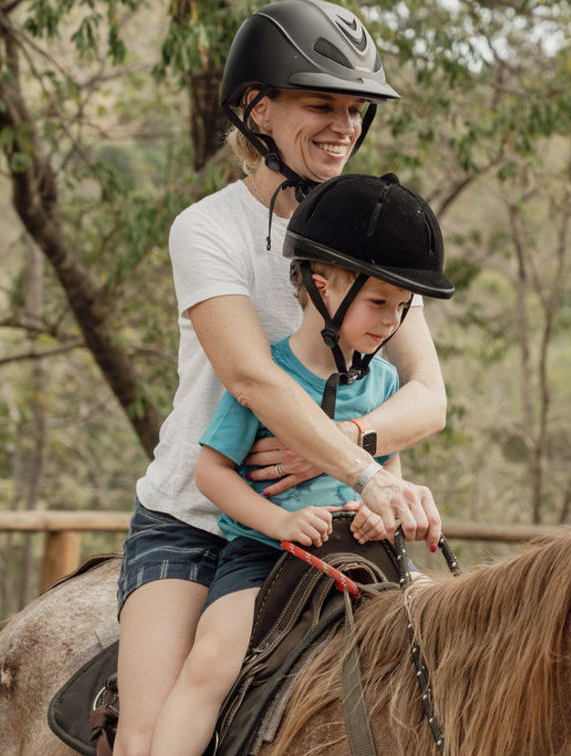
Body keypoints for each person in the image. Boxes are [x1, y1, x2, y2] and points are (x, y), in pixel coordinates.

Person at [114, 3, 449, 754]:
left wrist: (345, 446)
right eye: (321, 104)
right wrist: (364, 471)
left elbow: (428, 398)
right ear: (258, 109)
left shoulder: (373, 231)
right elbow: (251, 378)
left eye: (355, 110)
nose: (343, 127)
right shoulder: (208, 229)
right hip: (199, 520)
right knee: (144, 736)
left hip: (331, 525)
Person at [149, 173, 454, 755]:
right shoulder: (271, 379)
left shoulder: (384, 382)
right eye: (378, 303)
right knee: (211, 662)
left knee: (448, 634)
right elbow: (211, 473)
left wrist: (380, 512)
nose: (391, 323)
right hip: (267, 558)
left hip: (363, 555)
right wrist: (281, 522)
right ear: (322, 287)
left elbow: (386, 468)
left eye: (401, 308)